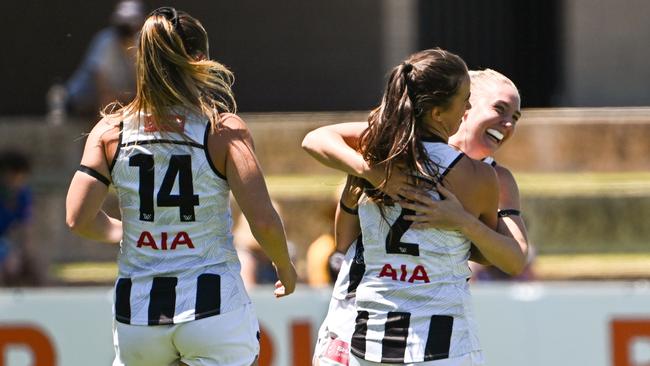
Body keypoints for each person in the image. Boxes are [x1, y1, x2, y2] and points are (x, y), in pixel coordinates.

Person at [65, 7, 296, 366]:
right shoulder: (222, 130)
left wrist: (127, 232)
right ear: (200, 61)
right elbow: (263, 220)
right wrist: (285, 267)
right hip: (213, 309)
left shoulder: (110, 131)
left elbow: (77, 218)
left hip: (138, 318)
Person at [304, 49, 526, 365]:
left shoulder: (379, 149)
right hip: (400, 330)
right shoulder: (476, 177)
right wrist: (367, 173)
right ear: (459, 105)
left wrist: (462, 223)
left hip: (369, 334)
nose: (507, 124)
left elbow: (507, 258)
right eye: (499, 109)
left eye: (515, 117)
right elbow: (346, 241)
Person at [56, 0, 145, 118]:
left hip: (120, 99)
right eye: (123, 24)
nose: (126, 29)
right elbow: (102, 88)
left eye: (130, 23)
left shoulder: (142, 43)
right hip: (81, 99)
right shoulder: (105, 41)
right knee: (108, 100)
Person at [0, 150, 43, 286]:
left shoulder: (23, 194)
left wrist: (25, 253)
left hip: (5, 243)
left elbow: (26, 227)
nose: (19, 180)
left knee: (36, 266)